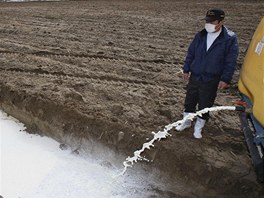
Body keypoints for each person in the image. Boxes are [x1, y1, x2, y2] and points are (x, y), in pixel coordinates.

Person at [176, 8, 239, 139]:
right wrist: (186, 69)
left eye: (212, 21)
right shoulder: (200, 35)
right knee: (190, 100)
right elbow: (191, 54)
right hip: (196, 74)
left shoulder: (229, 39)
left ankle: (199, 126)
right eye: (207, 21)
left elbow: (230, 61)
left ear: (221, 22)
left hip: (212, 77)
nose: (208, 24)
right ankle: (186, 122)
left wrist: (225, 79)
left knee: (205, 103)